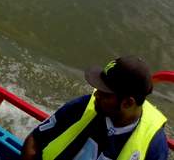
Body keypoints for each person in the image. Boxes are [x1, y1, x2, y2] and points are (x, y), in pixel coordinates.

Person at [21, 56, 168, 160]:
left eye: (106, 94)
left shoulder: (154, 146)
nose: (96, 94)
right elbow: (35, 139)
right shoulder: (85, 105)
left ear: (128, 103)